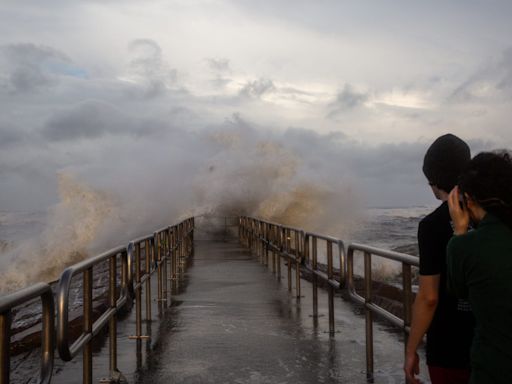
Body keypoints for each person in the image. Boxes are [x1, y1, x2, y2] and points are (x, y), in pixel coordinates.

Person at [405, 134, 474, 384]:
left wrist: (411, 348)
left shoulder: (432, 226)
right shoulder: (492, 215)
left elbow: (429, 297)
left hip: (448, 345)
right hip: (490, 341)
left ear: (433, 180)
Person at [447, 151, 512, 384]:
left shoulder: (463, 247)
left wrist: (459, 230)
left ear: (468, 200)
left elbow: (459, 291)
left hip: (492, 368)